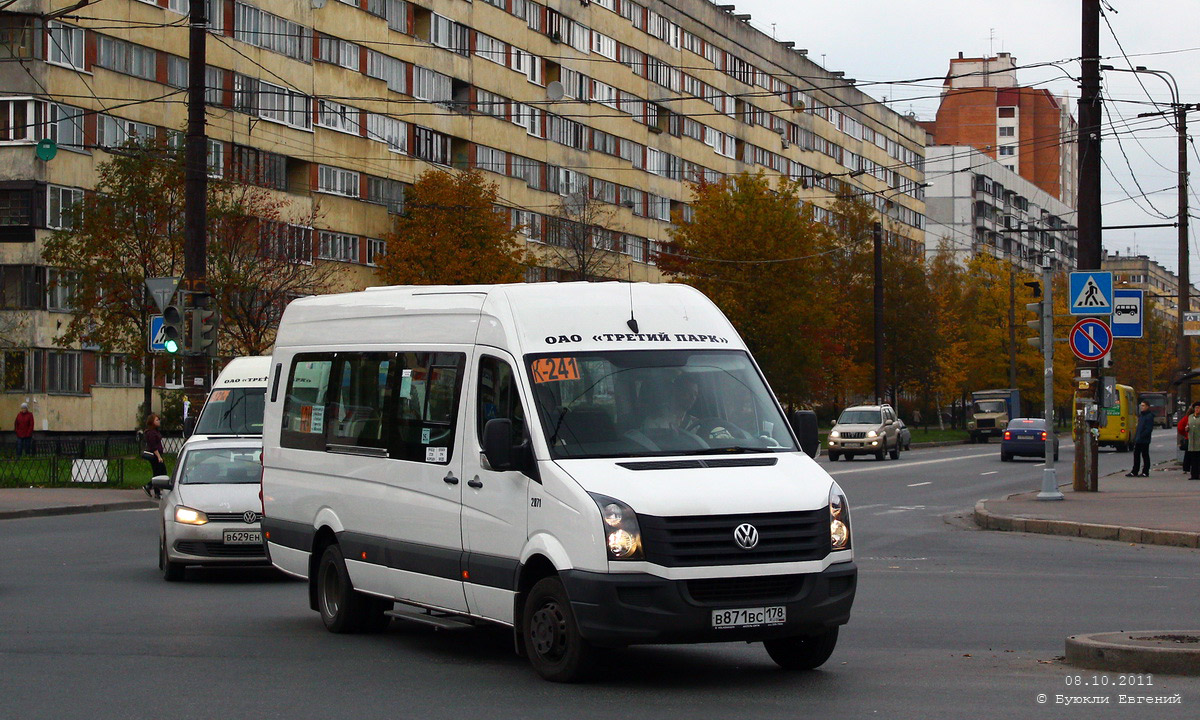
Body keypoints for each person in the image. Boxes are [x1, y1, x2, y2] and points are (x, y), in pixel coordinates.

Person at [142, 413, 167, 499]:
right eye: (157, 420)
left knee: (157, 473)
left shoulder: (155, 431)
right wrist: (159, 457)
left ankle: (157, 492)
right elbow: (153, 446)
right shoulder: (151, 433)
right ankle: (148, 486)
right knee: (161, 473)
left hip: (157, 455)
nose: (159, 421)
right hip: (155, 455)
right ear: (152, 422)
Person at [1127, 401, 1155, 478]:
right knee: (1136, 454)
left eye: (1143, 406)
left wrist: (1141, 436)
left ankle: (1145, 472)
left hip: (1144, 440)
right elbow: (1139, 427)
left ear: (1147, 406)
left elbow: (1148, 429)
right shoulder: (1142, 415)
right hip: (1139, 439)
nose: (1141, 407)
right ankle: (1135, 471)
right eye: (1141, 405)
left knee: (1145, 455)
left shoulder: (1149, 416)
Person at [1187, 404, 1200, 481]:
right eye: (1196, 408)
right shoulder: (1190, 417)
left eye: (1198, 408)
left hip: (1199, 440)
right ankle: (1194, 475)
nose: (1197, 409)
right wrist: (1187, 428)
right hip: (1192, 441)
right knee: (1193, 459)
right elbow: (1188, 425)